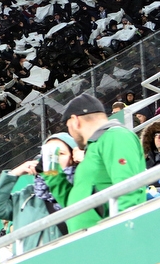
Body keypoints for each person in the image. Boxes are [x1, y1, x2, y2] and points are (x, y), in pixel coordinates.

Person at [45, 92, 146, 232]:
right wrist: (50, 170)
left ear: (75, 121)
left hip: (111, 241)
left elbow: (129, 189)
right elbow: (72, 206)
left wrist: (122, 233)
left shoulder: (116, 136)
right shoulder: (92, 150)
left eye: (68, 127)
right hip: (89, 242)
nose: (70, 134)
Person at [0, 132, 78, 252]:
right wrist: (13, 174)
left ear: (73, 158)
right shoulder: (27, 195)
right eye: (49, 154)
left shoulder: (80, 188)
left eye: (60, 153)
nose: (53, 158)